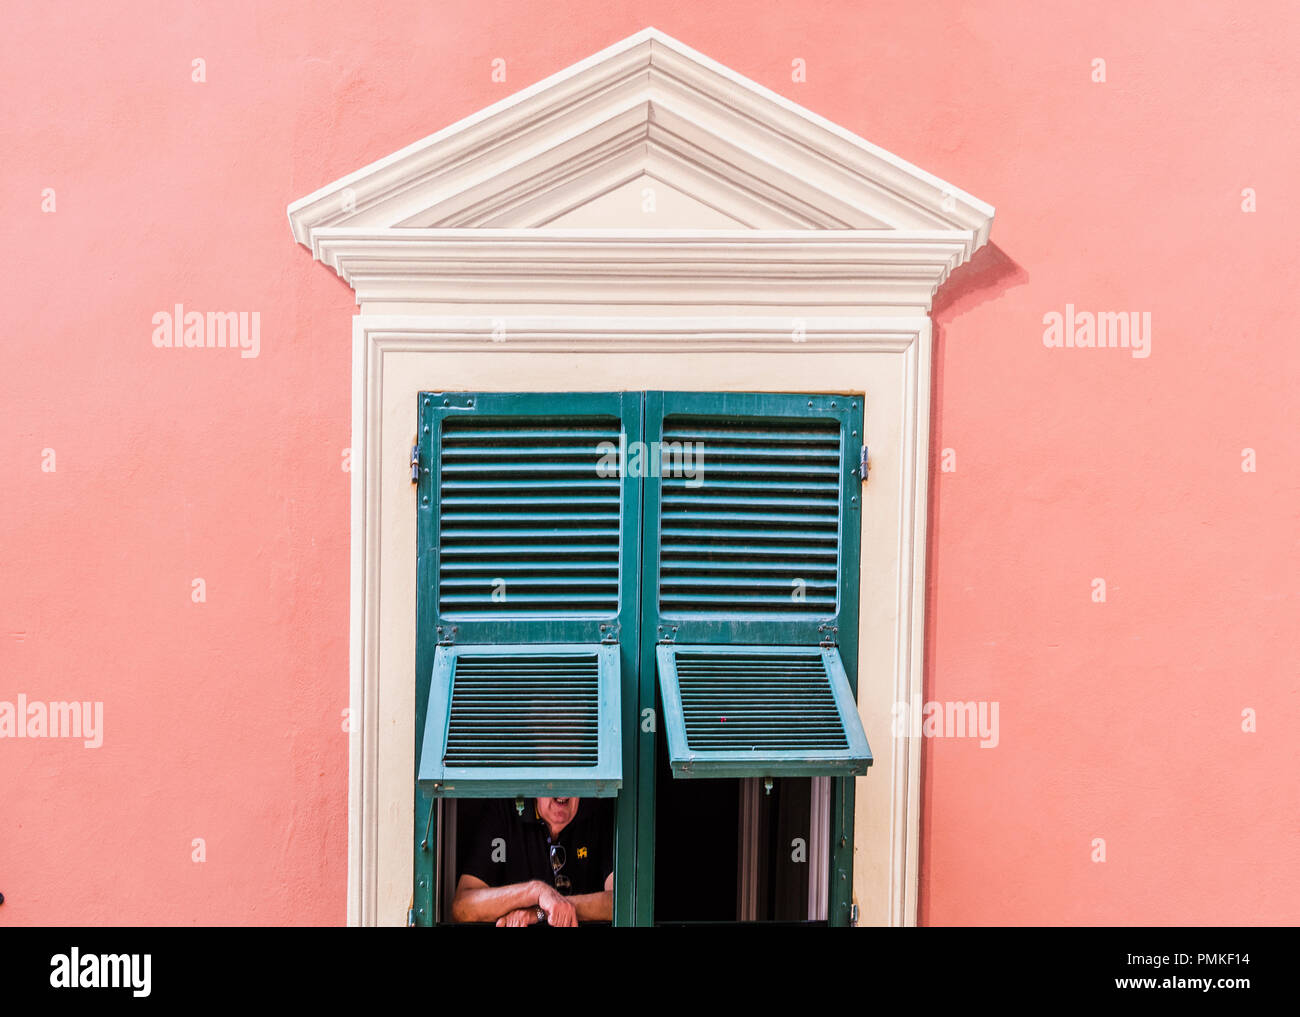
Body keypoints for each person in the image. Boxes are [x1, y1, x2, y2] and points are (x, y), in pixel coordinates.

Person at [452, 796, 614, 926]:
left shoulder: (599, 808)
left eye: (573, 779)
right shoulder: (505, 808)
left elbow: (619, 902)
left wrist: (540, 912)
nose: (564, 791)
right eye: (553, 779)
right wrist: (535, 892)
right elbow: (463, 907)